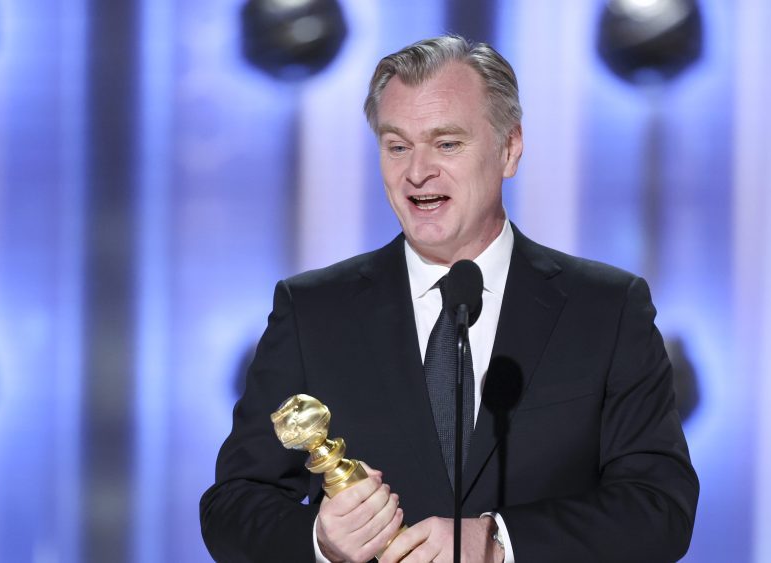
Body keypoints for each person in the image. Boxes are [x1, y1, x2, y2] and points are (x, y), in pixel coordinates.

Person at [200, 34, 698, 563]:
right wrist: (320, 542)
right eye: (397, 146)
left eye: (447, 143)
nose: (417, 173)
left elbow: (658, 507)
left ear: (509, 149)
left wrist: (502, 542)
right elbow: (233, 505)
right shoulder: (312, 311)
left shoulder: (607, 309)